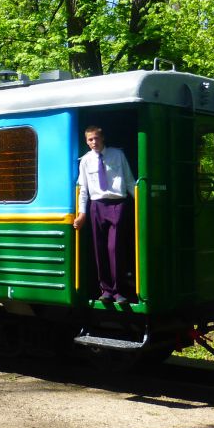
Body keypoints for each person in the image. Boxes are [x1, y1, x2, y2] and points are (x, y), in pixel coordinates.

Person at [73, 126, 135, 304]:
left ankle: (118, 291)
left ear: (103, 138)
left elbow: (130, 181)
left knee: (114, 248)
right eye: (90, 140)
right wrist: (82, 213)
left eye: (96, 139)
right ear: (86, 141)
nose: (94, 142)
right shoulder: (85, 160)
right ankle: (106, 290)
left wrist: (141, 204)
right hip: (97, 206)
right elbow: (83, 189)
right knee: (99, 249)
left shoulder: (117, 155)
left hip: (117, 204)